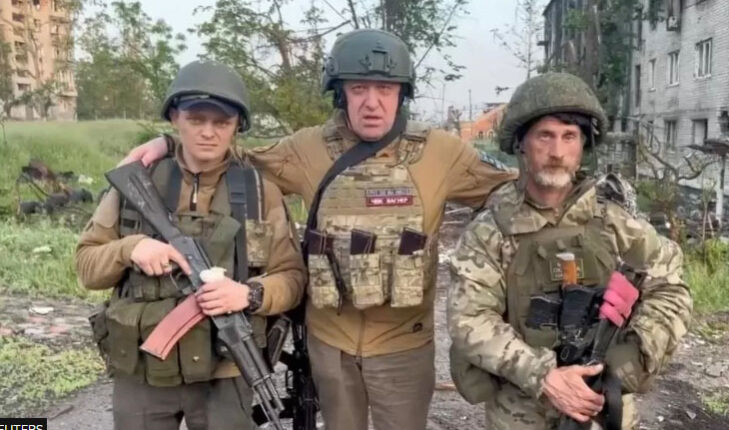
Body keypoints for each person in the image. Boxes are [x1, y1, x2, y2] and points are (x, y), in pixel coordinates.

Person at [124, 29, 516, 430]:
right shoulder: (308, 148)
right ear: (340, 92)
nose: (372, 102)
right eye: (359, 88)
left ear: (402, 93)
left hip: (404, 345)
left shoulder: (441, 152)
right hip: (330, 343)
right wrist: (169, 144)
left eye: (385, 89)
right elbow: (230, 157)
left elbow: (513, 192)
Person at [447, 72, 693, 430]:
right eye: (544, 136)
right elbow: (468, 319)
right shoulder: (492, 230)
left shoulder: (614, 221)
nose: (557, 152)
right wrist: (543, 375)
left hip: (602, 406)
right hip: (520, 413)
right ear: (521, 144)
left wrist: (633, 354)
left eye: (569, 136)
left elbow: (670, 285)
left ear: (583, 145)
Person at [77, 60, 305, 430]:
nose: (208, 133)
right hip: (144, 368)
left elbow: (292, 278)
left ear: (237, 126)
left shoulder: (259, 193)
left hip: (226, 367)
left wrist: (249, 294)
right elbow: (87, 267)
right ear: (174, 118)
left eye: (222, 123)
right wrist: (129, 248)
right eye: (196, 119)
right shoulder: (138, 184)